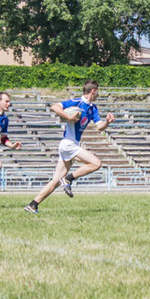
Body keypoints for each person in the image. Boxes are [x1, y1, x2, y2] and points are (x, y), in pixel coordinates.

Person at [25, 80, 115, 213]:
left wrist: (107, 122)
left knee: (56, 181)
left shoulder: (92, 108)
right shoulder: (76, 102)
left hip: (71, 145)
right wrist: (68, 117)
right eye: (98, 91)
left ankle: (33, 204)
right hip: (68, 144)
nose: (98, 94)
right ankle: (68, 179)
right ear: (93, 91)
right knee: (96, 163)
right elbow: (54, 106)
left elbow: (99, 126)